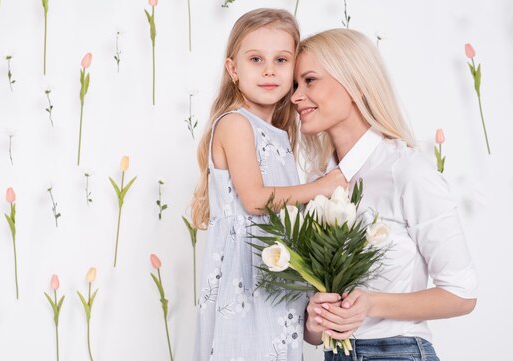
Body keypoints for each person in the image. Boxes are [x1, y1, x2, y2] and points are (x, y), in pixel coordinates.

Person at [291, 28, 478, 361]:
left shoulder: (407, 172)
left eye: (309, 80)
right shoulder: (316, 183)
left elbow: (462, 294)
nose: (295, 97)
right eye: (294, 85)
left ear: (355, 82)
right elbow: (313, 337)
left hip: (399, 352)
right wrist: (317, 316)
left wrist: (371, 304)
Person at [190, 9, 348, 361]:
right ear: (234, 70)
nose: (268, 70)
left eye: (280, 60)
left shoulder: (280, 136)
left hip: (275, 277)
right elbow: (256, 200)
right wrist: (324, 185)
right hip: (244, 281)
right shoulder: (235, 124)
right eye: (256, 59)